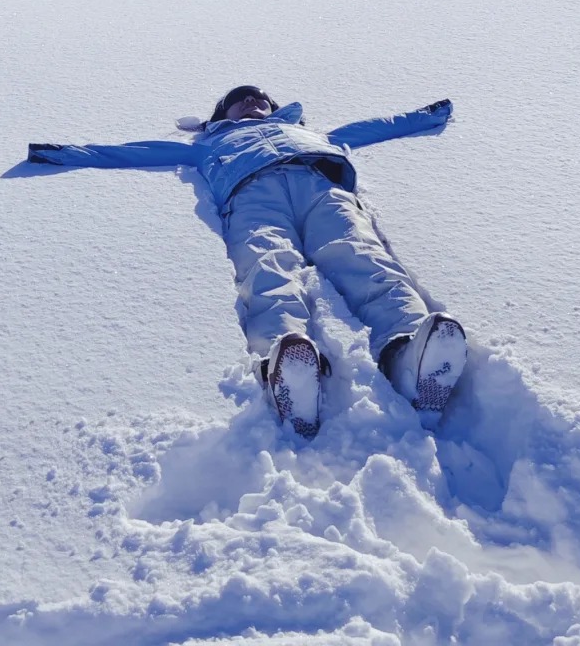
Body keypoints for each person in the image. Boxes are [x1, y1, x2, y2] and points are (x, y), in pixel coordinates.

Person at [27, 86, 466, 438]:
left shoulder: (309, 133)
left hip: (320, 186)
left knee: (364, 259)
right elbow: (132, 152)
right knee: (268, 270)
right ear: (223, 113)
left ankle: (410, 355)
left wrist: (428, 116)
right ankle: (286, 367)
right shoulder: (208, 144)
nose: (253, 101)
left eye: (260, 97)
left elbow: (372, 128)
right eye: (241, 99)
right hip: (252, 197)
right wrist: (60, 152)